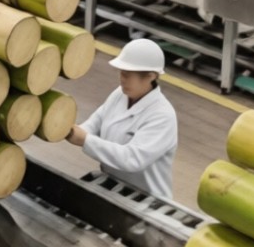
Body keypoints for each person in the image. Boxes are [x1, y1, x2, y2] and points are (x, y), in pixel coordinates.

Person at [66, 38, 178, 199]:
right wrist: (69, 130)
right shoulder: (120, 93)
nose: (122, 79)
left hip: (147, 199)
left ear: (151, 76)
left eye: (128, 75)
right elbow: (97, 121)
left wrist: (85, 140)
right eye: (121, 73)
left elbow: (132, 159)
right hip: (114, 185)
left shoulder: (162, 116)